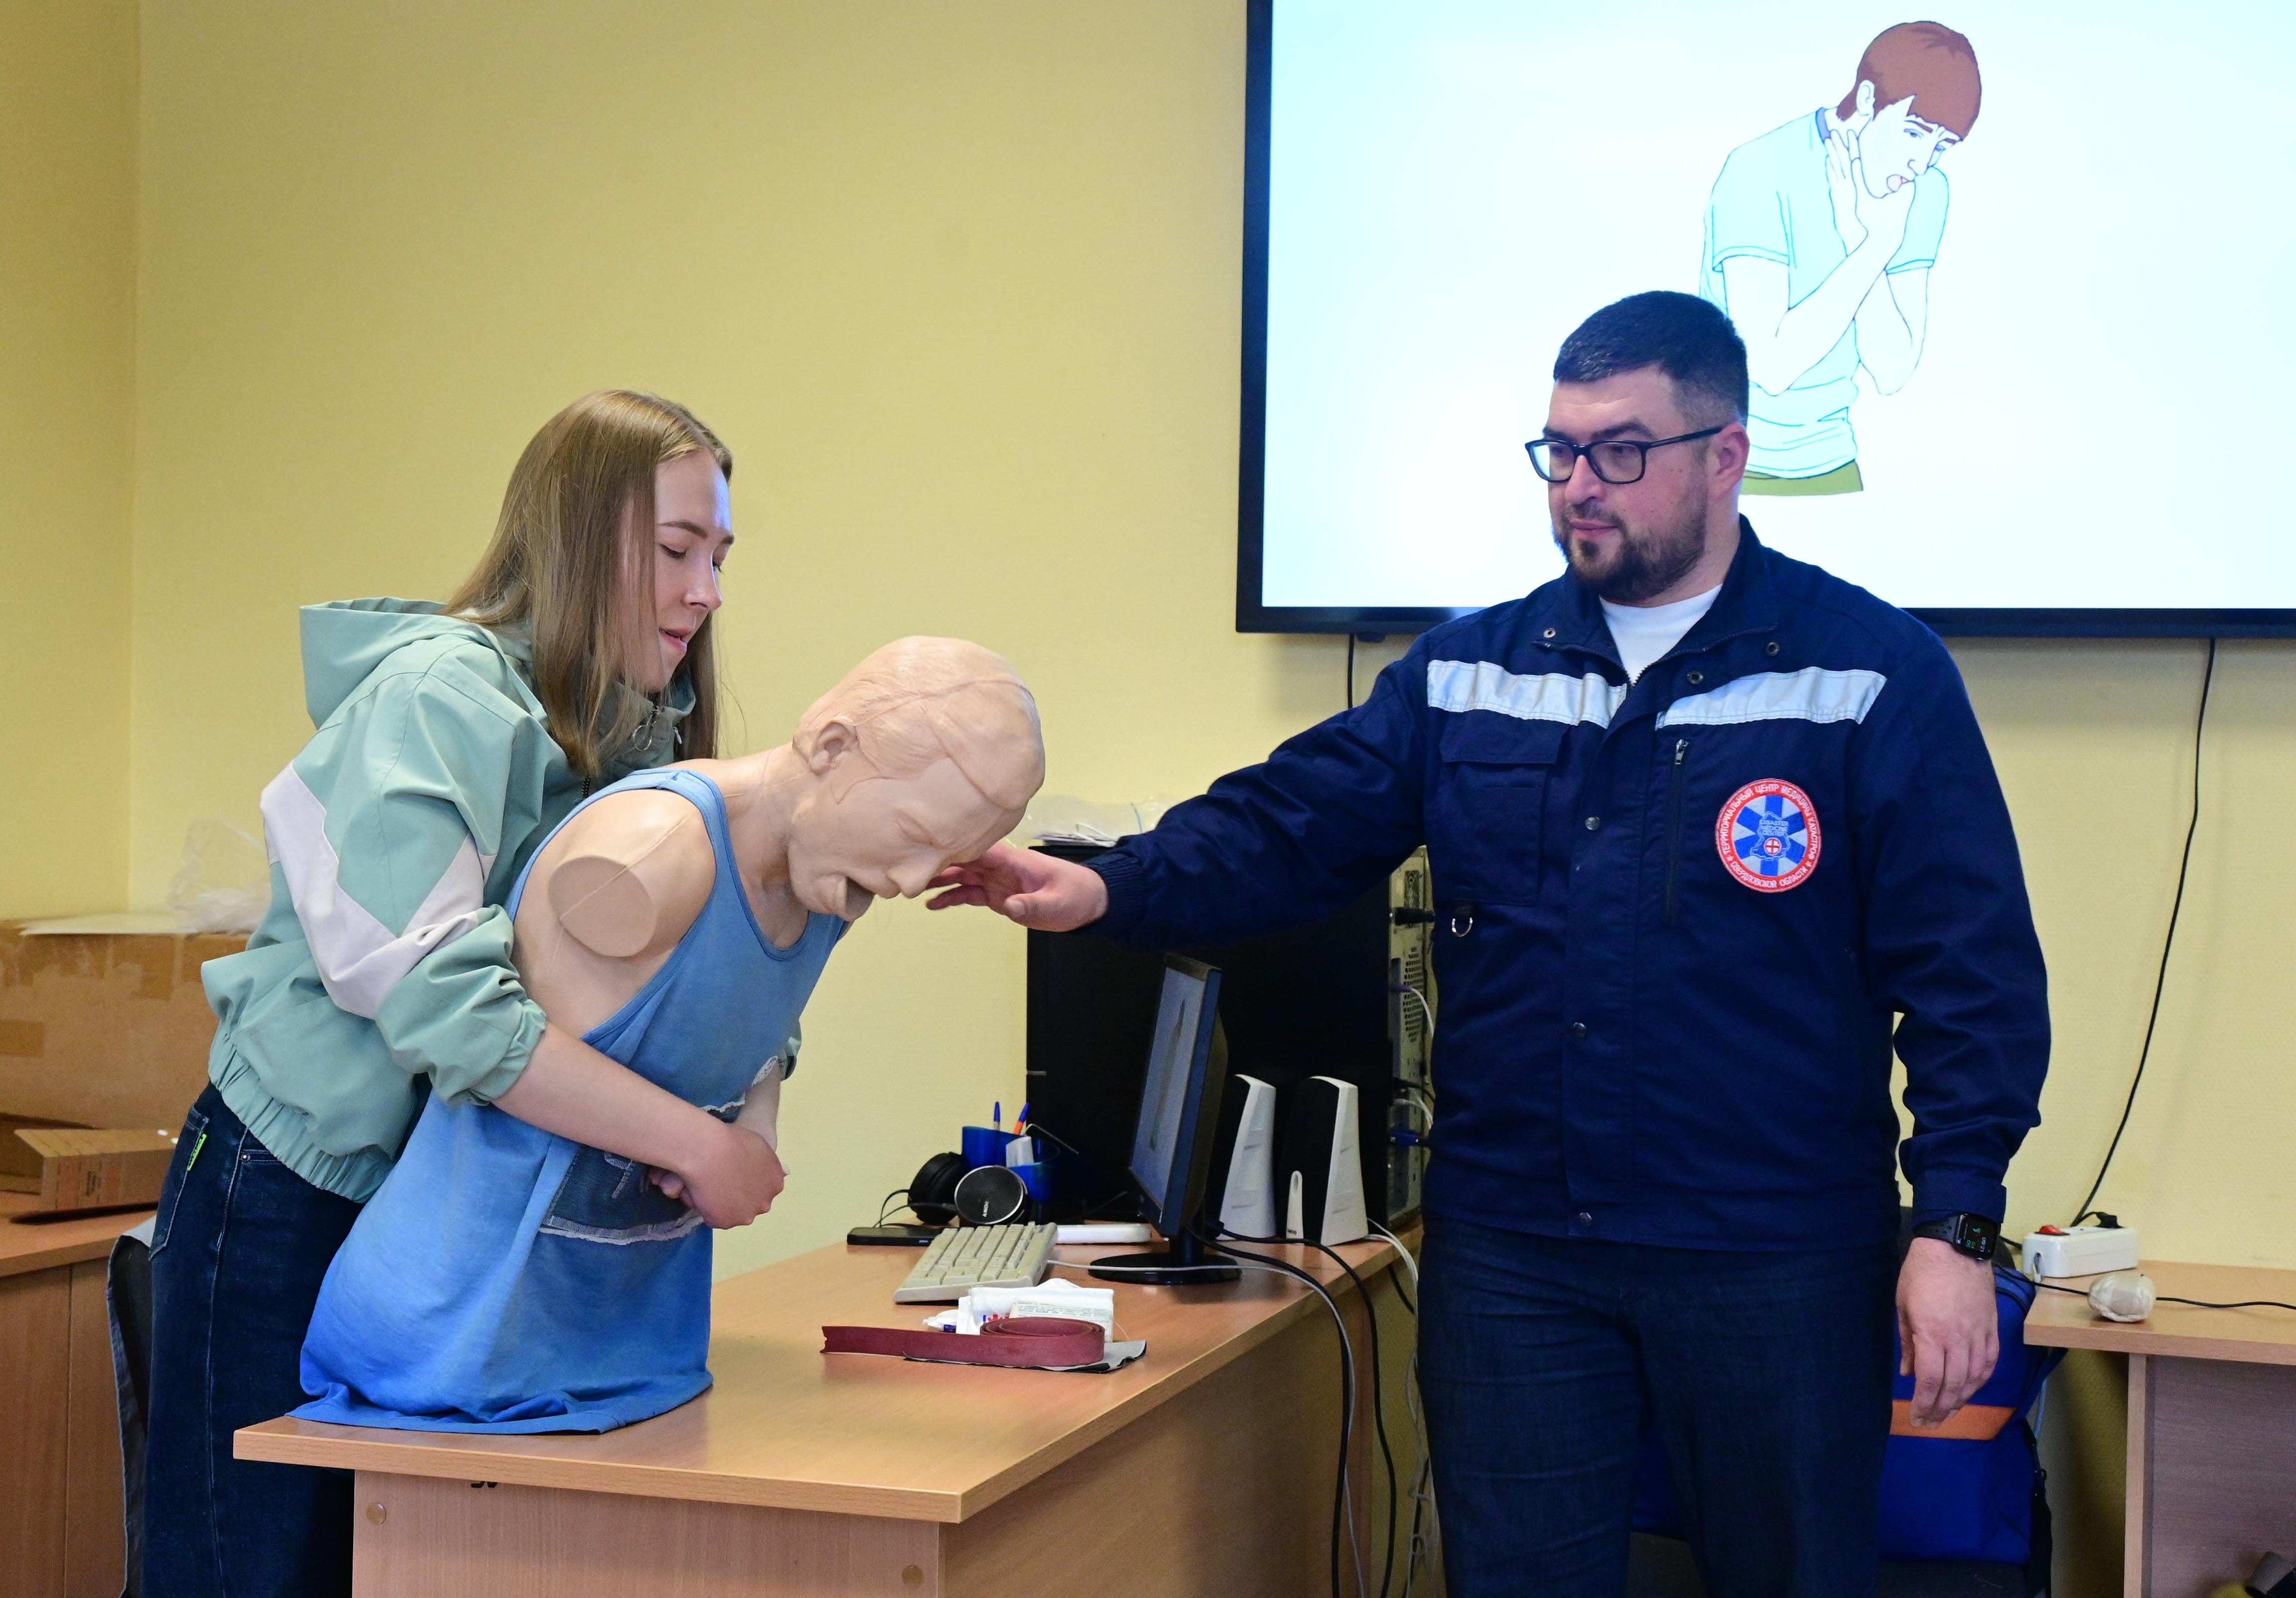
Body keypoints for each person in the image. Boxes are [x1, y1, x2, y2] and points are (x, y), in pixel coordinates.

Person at [930, 292, 2048, 1596]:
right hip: (1518, 1255)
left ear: (1725, 456)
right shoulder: (1469, 672)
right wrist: (1103, 887)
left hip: (1772, 1255)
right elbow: (1290, 824)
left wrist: (1954, 1225)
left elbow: (1970, 974)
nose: (1579, 485)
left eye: (1619, 450)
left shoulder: (1867, 677)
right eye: (1559, 451)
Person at [144, 391, 782, 1596]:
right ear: (580, 539)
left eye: (720, 557)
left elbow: (721, 965)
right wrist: (698, 1144)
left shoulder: (639, 741)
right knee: (253, 1567)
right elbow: (454, 1012)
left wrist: (750, 1115)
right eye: (675, 550)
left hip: (452, 1212)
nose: (705, 592)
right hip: (296, 1195)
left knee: (411, 1563)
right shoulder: (436, 701)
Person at [294, 638, 1043, 1432]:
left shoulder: (827, 874)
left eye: (944, 858)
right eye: (914, 833)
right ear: (832, 746)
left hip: (634, 1348)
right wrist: (708, 1151)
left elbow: (749, 1015)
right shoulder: (651, 853)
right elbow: (498, 1052)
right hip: (466, 1341)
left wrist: (754, 1130)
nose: (909, 882)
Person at [1698, 22, 1981, 494]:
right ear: (1868, 99)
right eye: (1915, 132)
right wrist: (1871, 248)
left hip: (1832, 459)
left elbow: (1891, 369)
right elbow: (1770, 368)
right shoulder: (1761, 170)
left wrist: (1871, 241)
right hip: (1724, 467)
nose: (1921, 162)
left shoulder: (1925, 191)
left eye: (1942, 146)